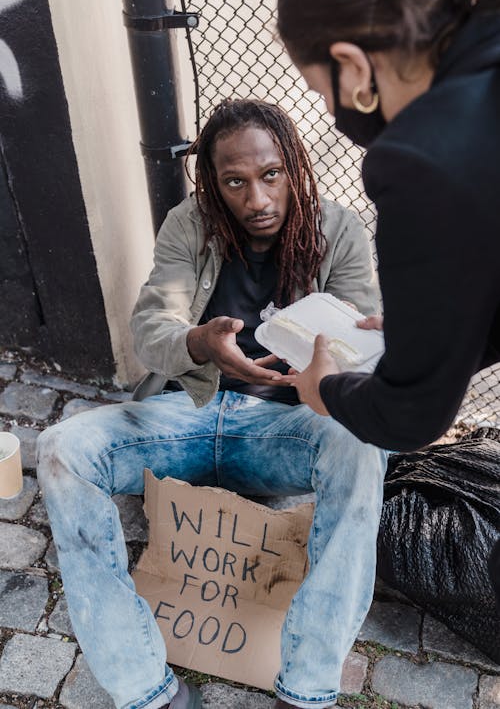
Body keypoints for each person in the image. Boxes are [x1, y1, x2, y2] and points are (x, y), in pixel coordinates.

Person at [36, 99, 386, 709]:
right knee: (62, 448)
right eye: (235, 182)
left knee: (363, 452)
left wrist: (325, 373)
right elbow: (151, 325)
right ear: (213, 183)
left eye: (271, 175)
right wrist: (199, 343)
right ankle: (145, 690)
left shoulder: (340, 232)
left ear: (295, 166)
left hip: (288, 427)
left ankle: (305, 690)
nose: (257, 200)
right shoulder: (189, 224)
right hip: (190, 415)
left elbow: (364, 349)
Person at [276, 0, 500, 452]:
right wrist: (437, 329)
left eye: (321, 92)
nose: (332, 112)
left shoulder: (418, 161)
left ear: (352, 64)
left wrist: (326, 390)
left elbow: (409, 415)